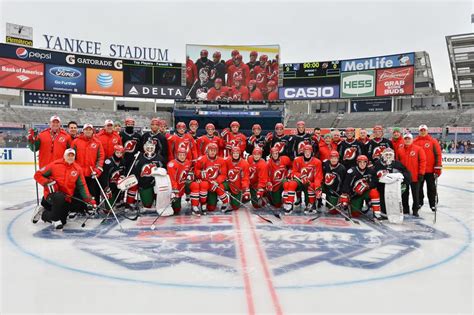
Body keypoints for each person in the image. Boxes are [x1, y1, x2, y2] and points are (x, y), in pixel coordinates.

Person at [32, 148, 95, 230]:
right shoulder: (54, 165)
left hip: (66, 197)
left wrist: (89, 199)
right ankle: (55, 219)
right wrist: (47, 182)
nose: (70, 157)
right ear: (64, 156)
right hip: (52, 194)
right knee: (59, 196)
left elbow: (82, 186)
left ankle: (43, 213)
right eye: (68, 155)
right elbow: (37, 175)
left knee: (63, 221)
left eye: (72, 156)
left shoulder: (77, 169)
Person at [71, 123, 105, 204]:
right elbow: (72, 156)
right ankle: (80, 208)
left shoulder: (97, 142)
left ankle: (93, 207)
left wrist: (98, 168)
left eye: (90, 129)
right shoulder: (76, 141)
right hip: (80, 173)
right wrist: (75, 168)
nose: (88, 131)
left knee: (93, 191)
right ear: (83, 131)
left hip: (92, 173)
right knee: (79, 191)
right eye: (86, 129)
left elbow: (101, 156)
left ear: (93, 131)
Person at [373, 148, 411, 219]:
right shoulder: (378, 163)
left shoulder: (397, 164)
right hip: (382, 186)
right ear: (383, 155)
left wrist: (402, 179)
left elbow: (407, 174)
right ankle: (383, 211)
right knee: (381, 196)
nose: (388, 156)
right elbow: (373, 175)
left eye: (390, 154)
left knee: (399, 195)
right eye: (386, 154)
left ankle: (400, 210)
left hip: (394, 186)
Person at [192, 143, 229, 215]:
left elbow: (223, 174)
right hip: (206, 182)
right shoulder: (201, 159)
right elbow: (196, 171)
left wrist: (217, 181)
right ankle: (202, 203)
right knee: (202, 185)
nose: (212, 152)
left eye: (214, 150)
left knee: (212, 207)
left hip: (215, 183)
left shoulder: (221, 161)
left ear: (217, 151)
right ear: (207, 151)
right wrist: (200, 173)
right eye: (211, 150)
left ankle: (225, 202)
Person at [127, 141, 166, 210]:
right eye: (148, 148)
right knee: (147, 205)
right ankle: (130, 203)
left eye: (151, 148)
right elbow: (134, 172)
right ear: (144, 148)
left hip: (157, 184)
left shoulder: (159, 158)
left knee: (160, 204)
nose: (150, 149)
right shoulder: (139, 158)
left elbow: (164, 172)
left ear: (154, 148)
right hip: (144, 184)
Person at [285, 145, 323, 214]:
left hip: (310, 183)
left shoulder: (317, 162)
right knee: (292, 183)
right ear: (303, 152)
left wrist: (317, 188)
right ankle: (289, 204)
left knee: (311, 186)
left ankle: (311, 203)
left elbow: (318, 177)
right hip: (300, 181)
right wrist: (301, 176)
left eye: (309, 151)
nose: (307, 153)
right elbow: (294, 172)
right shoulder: (297, 160)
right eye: (306, 151)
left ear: (312, 152)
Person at [413, 124, 443, 212]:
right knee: (418, 188)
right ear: (419, 131)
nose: (423, 132)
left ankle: (433, 204)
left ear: (427, 131)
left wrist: (438, 167)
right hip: (419, 170)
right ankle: (419, 202)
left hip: (430, 170)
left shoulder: (433, 141)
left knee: (431, 188)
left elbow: (438, 155)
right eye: (421, 130)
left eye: (424, 130)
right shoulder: (414, 141)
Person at [397, 133, 426, 217]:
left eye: (409, 139)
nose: (407, 140)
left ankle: (415, 209)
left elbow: (423, 162)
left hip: (415, 176)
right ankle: (405, 208)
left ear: (412, 140)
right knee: (404, 194)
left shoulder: (418, 149)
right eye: (405, 139)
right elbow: (398, 163)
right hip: (404, 177)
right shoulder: (400, 150)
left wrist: (421, 173)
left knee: (415, 194)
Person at [100, 145, 127, 211]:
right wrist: (106, 188)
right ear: (114, 152)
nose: (119, 155)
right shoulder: (108, 162)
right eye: (117, 153)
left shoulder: (123, 161)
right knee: (109, 208)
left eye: (121, 153)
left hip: (118, 185)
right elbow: (104, 176)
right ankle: (107, 205)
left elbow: (123, 173)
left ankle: (117, 202)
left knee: (118, 197)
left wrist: (123, 177)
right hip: (109, 186)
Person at [167, 147, 193, 215]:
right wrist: (174, 188)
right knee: (176, 210)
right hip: (177, 187)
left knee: (192, 184)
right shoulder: (172, 164)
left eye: (183, 155)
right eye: (180, 155)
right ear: (177, 155)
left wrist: (190, 174)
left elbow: (190, 171)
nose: (182, 157)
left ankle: (191, 198)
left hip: (184, 184)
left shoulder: (188, 162)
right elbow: (172, 178)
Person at [224, 146, 250, 211]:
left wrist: (245, 188)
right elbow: (223, 172)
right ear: (231, 154)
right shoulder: (227, 161)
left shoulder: (245, 163)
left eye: (237, 153)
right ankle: (224, 201)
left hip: (237, 186)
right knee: (219, 185)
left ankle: (242, 198)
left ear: (239, 154)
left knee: (235, 207)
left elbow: (245, 178)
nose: (235, 155)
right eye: (234, 153)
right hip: (229, 183)